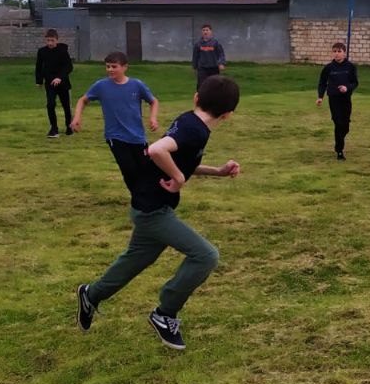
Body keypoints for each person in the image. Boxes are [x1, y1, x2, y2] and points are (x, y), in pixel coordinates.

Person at [76, 76, 242, 350]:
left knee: (134, 261)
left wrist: (218, 171)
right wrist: (178, 177)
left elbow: (179, 160)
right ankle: (164, 313)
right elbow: (156, 150)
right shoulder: (195, 129)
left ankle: (90, 295)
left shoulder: (191, 121)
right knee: (205, 256)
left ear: (196, 98)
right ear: (228, 114)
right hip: (152, 211)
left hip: (149, 204)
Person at [71, 52, 160, 192]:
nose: (110, 69)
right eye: (107, 66)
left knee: (144, 168)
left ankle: (147, 194)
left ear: (125, 67)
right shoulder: (101, 86)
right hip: (115, 136)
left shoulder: (137, 85)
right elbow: (83, 100)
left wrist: (153, 118)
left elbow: (153, 101)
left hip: (137, 136)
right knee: (128, 169)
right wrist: (77, 117)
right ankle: (138, 196)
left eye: (114, 66)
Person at [316, 42, 358, 160]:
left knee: (345, 126)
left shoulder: (350, 67)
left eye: (339, 51)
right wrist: (320, 97)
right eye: (334, 51)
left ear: (344, 53)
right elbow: (322, 83)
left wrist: (347, 88)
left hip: (345, 99)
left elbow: (355, 83)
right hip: (334, 99)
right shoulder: (328, 68)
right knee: (338, 123)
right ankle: (339, 150)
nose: (337, 54)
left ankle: (340, 139)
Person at [35, 29, 74, 138]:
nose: (50, 43)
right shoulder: (42, 52)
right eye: (48, 40)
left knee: (66, 106)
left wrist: (60, 78)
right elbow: (39, 67)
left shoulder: (63, 51)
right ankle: (54, 129)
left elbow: (69, 67)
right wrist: (39, 81)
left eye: (52, 40)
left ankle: (69, 126)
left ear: (57, 40)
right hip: (50, 84)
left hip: (63, 83)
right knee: (50, 104)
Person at [191, 24, 227, 90]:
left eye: (207, 30)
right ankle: (200, 96)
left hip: (214, 67)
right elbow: (195, 56)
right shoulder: (198, 44)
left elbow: (221, 54)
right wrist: (194, 67)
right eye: (203, 30)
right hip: (202, 68)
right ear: (201, 32)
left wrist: (222, 63)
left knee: (215, 85)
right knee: (201, 85)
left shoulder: (216, 43)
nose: (205, 32)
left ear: (210, 31)